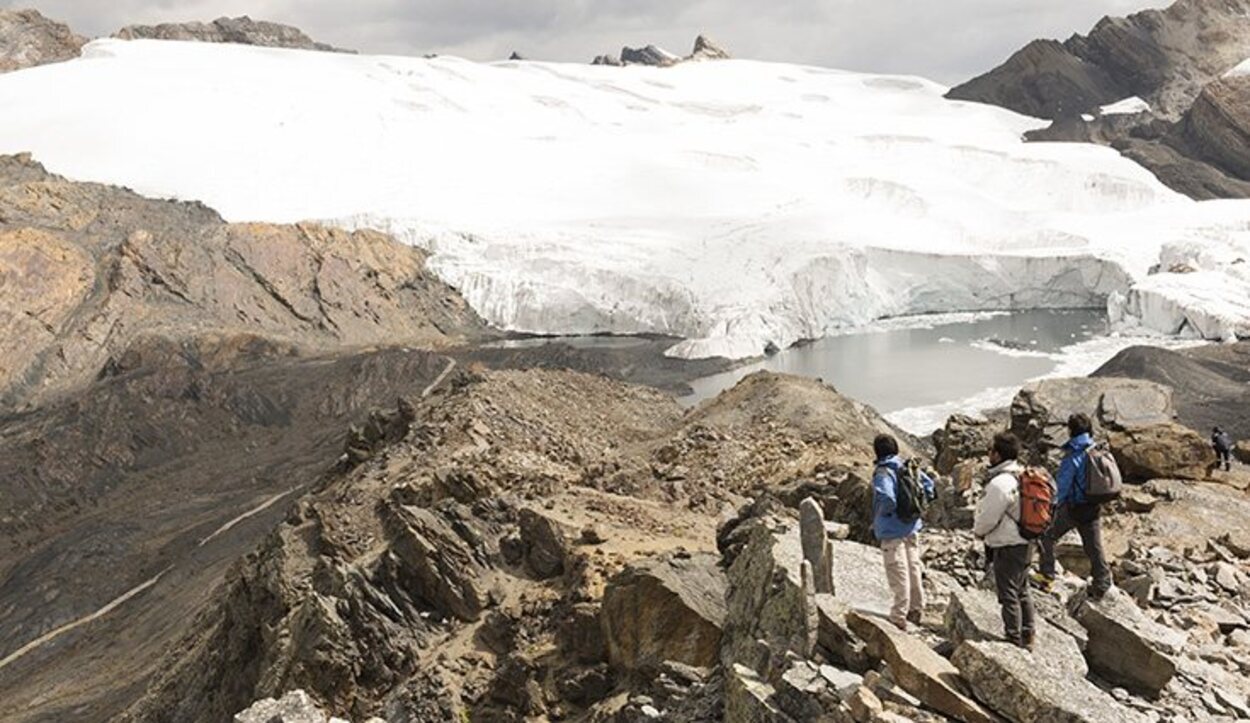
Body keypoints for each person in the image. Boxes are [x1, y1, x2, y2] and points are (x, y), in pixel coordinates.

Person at [1032, 413, 1112, 598]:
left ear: (1071, 431)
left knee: (1046, 536)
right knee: (1094, 547)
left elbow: (1061, 488)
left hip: (1074, 509)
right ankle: (1102, 583)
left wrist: (1049, 508)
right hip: (1093, 507)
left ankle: (1046, 576)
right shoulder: (1097, 449)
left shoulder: (1074, 456)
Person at [972, 432, 1035, 649]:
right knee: (1022, 590)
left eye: (990, 451)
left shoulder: (1000, 483)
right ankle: (1028, 634)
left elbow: (988, 517)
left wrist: (978, 532)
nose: (988, 455)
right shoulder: (1023, 474)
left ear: (998, 455)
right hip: (1027, 540)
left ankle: (1013, 638)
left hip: (1008, 543)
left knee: (1008, 594)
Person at [871, 434, 936, 630]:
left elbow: (887, 499)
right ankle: (916, 609)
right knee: (913, 568)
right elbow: (930, 487)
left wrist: (883, 517)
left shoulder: (883, 472)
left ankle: (899, 616)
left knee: (897, 571)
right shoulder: (907, 467)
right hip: (911, 526)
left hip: (892, 530)